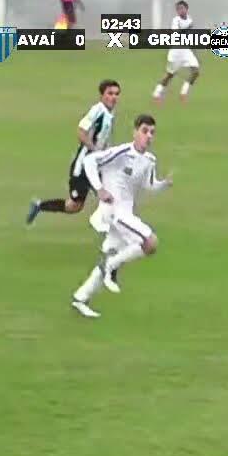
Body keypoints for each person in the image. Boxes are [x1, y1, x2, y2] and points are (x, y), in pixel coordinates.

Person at [70, 114, 172, 318]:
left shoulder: (149, 160)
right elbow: (90, 160)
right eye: (144, 131)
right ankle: (111, 266)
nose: (148, 136)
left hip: (126, 213)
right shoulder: (121, 153)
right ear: (135, 132)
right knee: (150, 243)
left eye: (152, 133)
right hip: (114, 212)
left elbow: (149, 185)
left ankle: (81, 298)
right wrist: (99, 189)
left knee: (112, 252)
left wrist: (163, 185)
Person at [26, 79, 119, 225]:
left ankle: (114, 229)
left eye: (116, 94)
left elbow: (103, 138)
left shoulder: (110, 113)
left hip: (97, 165)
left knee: (112, 195)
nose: (114, 97)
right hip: (83, 166)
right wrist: (95, 150)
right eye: (110, 93)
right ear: (102, 95)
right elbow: (81, 132)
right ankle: (39, 206)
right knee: (75, 206)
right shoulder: (98, 110)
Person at [153, 1, 201, 104]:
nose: (180, 11)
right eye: (178, 9)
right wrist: (188, 29)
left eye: (182, 8)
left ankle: (183, 92)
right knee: (170, 75)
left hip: (186, 51)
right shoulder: (176, 20)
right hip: (176, 52)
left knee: (196, 72)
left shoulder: (190, 20)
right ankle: (156, 94)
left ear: (186, 9)